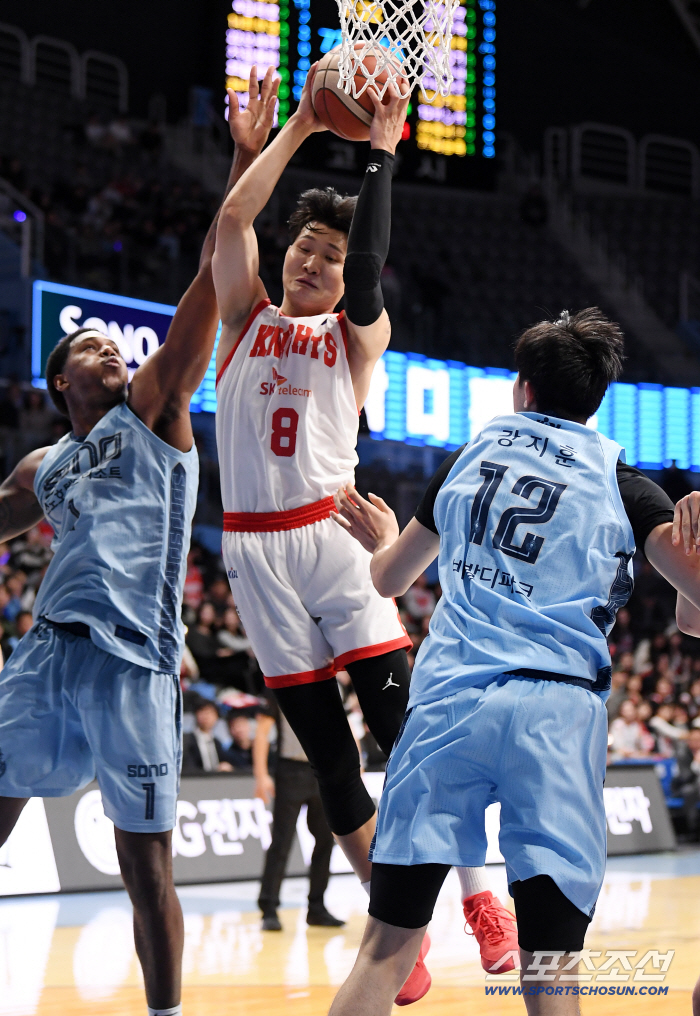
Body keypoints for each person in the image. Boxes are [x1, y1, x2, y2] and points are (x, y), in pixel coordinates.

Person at [211, 63, 517, 1001]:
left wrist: (380, 156)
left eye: (327, 257)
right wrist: (294, 128)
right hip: (252, 553)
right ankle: (398, 926)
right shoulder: (241, 320)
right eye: (302, 246)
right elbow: (230, 226)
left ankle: (481, 899)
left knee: (408, 731)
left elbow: (373, 268)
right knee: (332, 762)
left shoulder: (355, 337)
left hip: (332, 540)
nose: (309, 261)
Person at [0, 67, 278, 1016]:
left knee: (139, 859)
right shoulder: (43, 467)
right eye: (91, 352)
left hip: (133, 661)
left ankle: (166, 1014)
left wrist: (245, 160)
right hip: (45, 656)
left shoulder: (156, 410)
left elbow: (212, 278)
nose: (111, 354)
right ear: (59, 384)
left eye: (115, 350)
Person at [330, 307, 700, 1016]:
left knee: (384, 953)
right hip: (554, 718)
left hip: (446, 708)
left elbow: (386, 580)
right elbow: (696, 605)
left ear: (521, 389)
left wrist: (384, 536)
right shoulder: (626, 485)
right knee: (551, 968)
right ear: (596, 400)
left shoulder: (469, 457)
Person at [254, 696, 345, 930]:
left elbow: (342, 727)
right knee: (282, 841)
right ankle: (269, 908)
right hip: (290, 770)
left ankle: (317, 907)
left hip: (322, 768)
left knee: (326, 839)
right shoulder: (278, 682)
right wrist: (261, 774)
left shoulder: (330, 681)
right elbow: (262, 732)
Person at [182, 697, 233, 775]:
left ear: (216, 717)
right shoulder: (187, 740)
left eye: (210, 712)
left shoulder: (217, 743)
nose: (206, 716)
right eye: (202, 712)